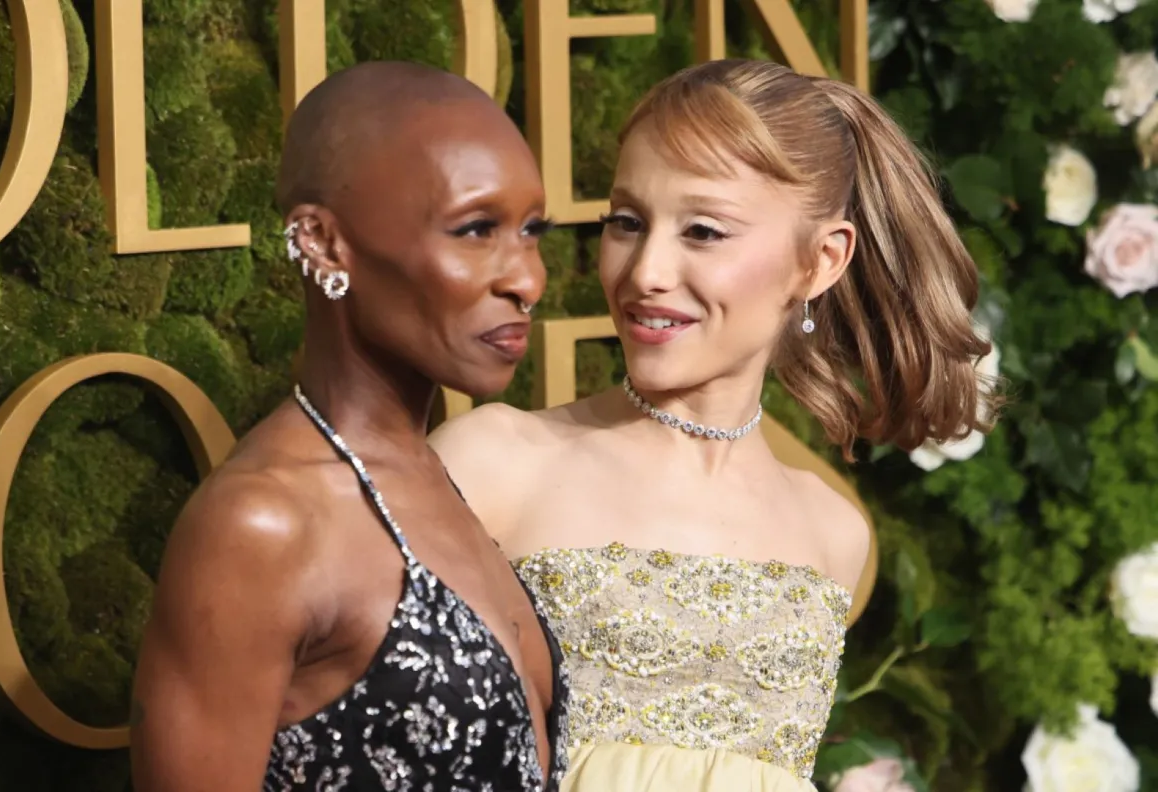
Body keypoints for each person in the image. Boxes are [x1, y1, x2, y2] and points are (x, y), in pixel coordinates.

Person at [429, 58, 1000, 791]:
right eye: (627, 223)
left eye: (702, 231)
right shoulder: (493, 463)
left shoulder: (833, 533)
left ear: (821, 261)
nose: (646, 272)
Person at [130, 61, 570, 792]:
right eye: (475, 229)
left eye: (530, 231)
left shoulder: (436, 479)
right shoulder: (261, 525)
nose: (526, 278)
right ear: (324, 244)